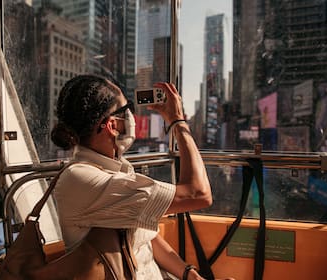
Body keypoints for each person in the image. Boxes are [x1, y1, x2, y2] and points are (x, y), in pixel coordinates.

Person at [51, 74, 223, 280]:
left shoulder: (118, 169)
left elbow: (145, 236)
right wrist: (178, 122)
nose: (131, 116)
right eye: (126, 110)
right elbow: (199, 193)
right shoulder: (81, 180)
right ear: (112, 125)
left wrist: (191, 276)